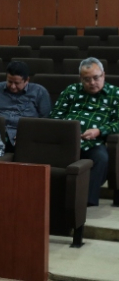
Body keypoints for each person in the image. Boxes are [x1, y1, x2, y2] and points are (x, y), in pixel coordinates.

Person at [50, 57, 117, 206]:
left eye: (96, 77)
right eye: (87, 79)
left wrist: (99, 131)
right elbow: (55, 115)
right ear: (80, 78)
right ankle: (52, 198)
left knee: (101, 158)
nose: (92, 82)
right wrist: (65, 132)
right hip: (67, 140)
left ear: (103, 75)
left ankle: (84, 201)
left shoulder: (115, 94)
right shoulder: (71, 90)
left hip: (94, 142)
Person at [0, 61, 51, 152]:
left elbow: (45, 121)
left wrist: (29, 134)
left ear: (27, 80)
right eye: (10, 82)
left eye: (17, 83)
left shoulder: (39, 91)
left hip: (25, 134)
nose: (13, 86)